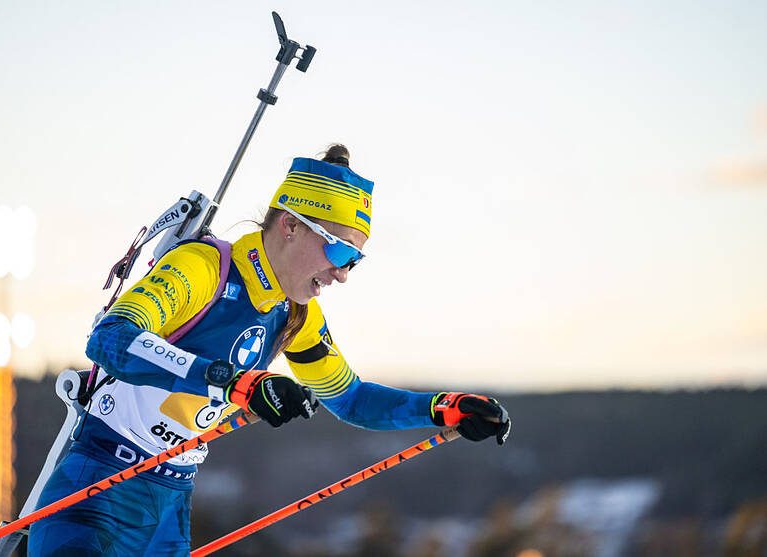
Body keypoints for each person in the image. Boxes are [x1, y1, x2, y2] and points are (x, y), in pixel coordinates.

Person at [27, 144, 511, 556]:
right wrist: (233, 381)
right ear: (290, 226)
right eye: (339, 251)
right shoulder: (202, 268)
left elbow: (353, 400)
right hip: (100, 485)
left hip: (171, 500)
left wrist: (441, 409)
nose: (342, 273)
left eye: (354, 262)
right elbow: (110, 339)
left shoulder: (296, 314)